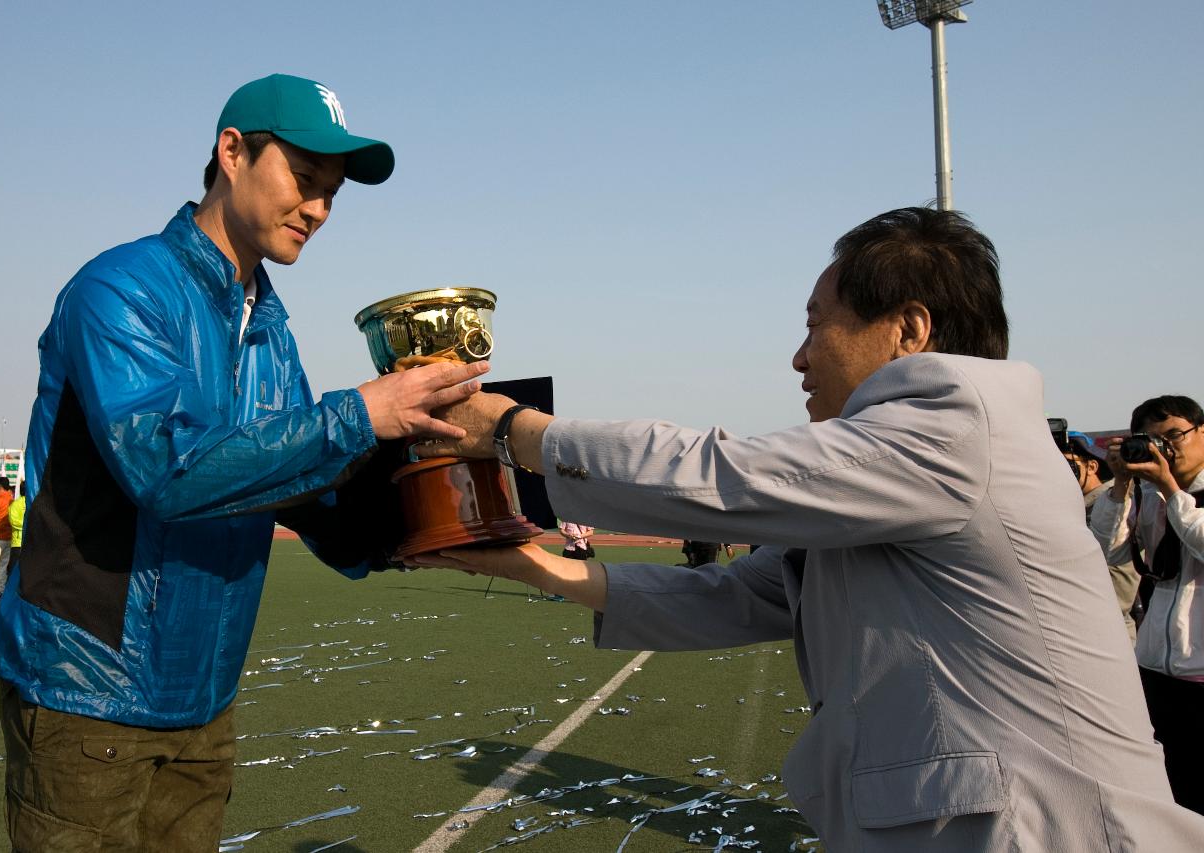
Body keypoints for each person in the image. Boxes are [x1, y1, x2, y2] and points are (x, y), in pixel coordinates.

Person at [415, 208, 1204, 850]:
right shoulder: (895, 475)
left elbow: (723, 477)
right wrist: (529, 565)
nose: (799, 356)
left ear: (909, 331)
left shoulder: (956, 424)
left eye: (817, 324)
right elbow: (738, 594)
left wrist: (517, 429)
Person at [0, 73, 487, 852]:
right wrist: (358, 412)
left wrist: (422, 517)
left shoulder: (273, 333)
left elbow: (301, 490)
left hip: (204, 703)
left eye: (333, 193)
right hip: (86, 698)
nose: (319, 209)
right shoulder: (119, 289)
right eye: (305, 178)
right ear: (232, 152)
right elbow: (164, 470)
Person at [1090, 395, 1204, 814]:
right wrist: (1120, 485)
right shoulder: (1148, 495)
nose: (1164, 449)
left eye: (1173, 436)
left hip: (1200, 674)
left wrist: (1171, 488)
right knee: (1170, 797)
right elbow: (1106, 549)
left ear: (1202, 432)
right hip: (1156, 669)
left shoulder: (1169, 494)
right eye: (1152, 440)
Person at [1063, 431, 1139, 642]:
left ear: (1092, 466)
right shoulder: (1068, 507)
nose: (1059, 471)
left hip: (1110, 626)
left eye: (1067, 463)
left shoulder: (1117, 503)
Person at [6, 480, 26, 578]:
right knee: (14, 568)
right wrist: (28, 525)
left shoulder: (35, 502)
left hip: (32, 541)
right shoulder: (16, 504)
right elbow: (14, 522)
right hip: (18, 542)